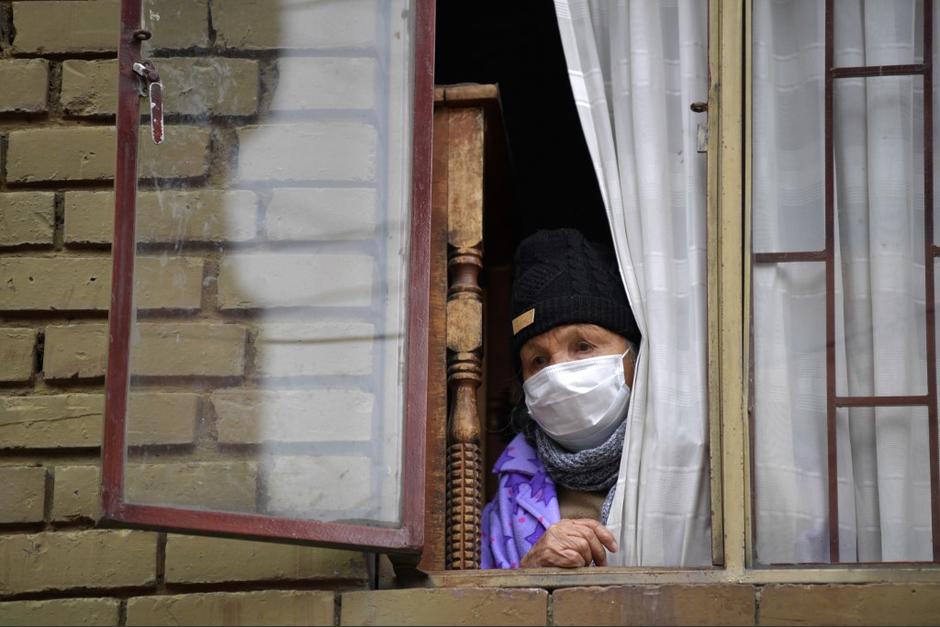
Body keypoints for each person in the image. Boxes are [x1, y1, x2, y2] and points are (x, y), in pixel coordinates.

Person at [481, 228, 641, 569]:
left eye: (583, 346)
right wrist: (530, 575)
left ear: (635, 356)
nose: (559, 374)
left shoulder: (684, 472)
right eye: (538, 360)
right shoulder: (508, 503)